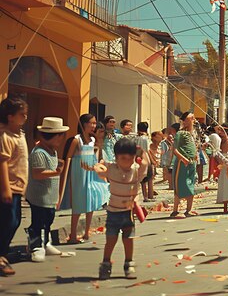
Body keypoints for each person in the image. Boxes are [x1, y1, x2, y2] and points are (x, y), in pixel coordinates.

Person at [92, 138, 149, 280]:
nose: (127, 161)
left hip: (128, 213)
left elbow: (146, 165)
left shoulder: (136, 171)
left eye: (131, 158)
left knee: (128, 239)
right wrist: (99, 164)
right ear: (116, 157)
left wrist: (143, 152)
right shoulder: (111, 169)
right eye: (123, 158)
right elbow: (98, 169)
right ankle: (106, 263)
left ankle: (129, 263)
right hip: (113, 212)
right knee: (110, 239)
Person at [59, 114, 109, 244]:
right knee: (78, 202)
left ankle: (87, 232)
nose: (93, 126)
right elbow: (68, 158)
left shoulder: (92, 140)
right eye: (91, 123)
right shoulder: (76, 140)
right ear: (84, 124)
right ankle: (73, 235)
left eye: (94, 123)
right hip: (79, 173)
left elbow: (95, 155)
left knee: (91, 199)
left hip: (91, 171)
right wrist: (65, 177)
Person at [25, 117, 68, 262]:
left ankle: (46, 242)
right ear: (52, 137)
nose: (61, 139)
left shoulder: (52, 151)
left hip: (50, 195)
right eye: (60, 136)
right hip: (39, 195)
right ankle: (35, 245)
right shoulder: (39, 152)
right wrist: (57, 172)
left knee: (48, 219)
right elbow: (37, 174)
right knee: (38, 222)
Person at [0, 97, 29, 277]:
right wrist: (5, 188)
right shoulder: (5, 136)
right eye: (22, 114)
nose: (25, 117)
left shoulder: (19, 134)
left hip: (18, 187)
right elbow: (2, 162)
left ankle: (3, 252)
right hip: (8, 187)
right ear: (10, 116)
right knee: (8, 222)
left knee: (15, 221)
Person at [170, 112, 198, 218]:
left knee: (191, 184)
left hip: (192, 162)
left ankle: (189, 209)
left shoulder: (192, 134)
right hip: (182, 163)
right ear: (185, 120)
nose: (193, 119)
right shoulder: (180, 133)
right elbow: (175, 150)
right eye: (191, 118)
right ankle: (175, 211)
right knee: (181, 185)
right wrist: (184, 159)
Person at [136, 122, 153, 202]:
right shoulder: (144, 138)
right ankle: (147, 196)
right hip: (145, 158)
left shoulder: (137, 138)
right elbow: (146, 150)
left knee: (144, 178)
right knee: (147, 177)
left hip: (139, 157)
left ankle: (147, 195)